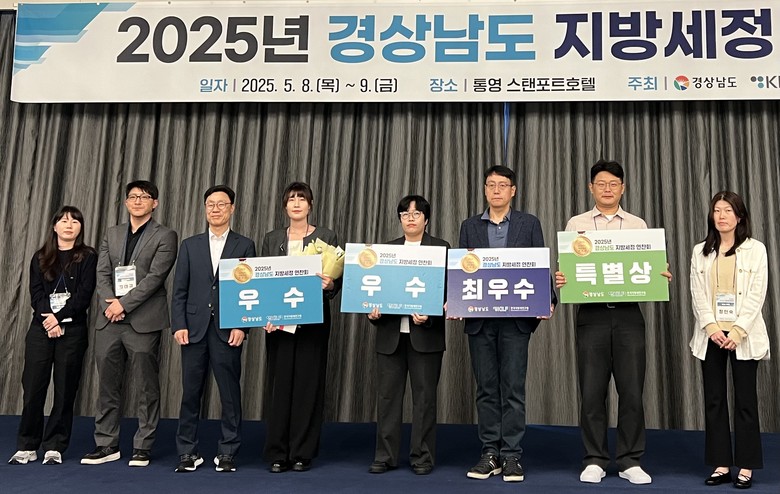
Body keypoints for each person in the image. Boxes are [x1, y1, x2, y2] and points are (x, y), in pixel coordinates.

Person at [556, 160, 670, 485]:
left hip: (628, 315)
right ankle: (594, 459)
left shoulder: (638, 224)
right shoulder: (576, 223)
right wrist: (563, 278)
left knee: (631, 391)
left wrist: (659, 275)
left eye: (613, 184)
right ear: (590, 188)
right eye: (601, 184)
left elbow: (649, 267)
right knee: (592, 392)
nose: (607, 189)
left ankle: (630, 460)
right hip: (591, 316)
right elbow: (569, 268)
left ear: (623, 188)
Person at [459, 165, 555, 482]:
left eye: (503, 185)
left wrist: (548, 299)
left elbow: (540, 265)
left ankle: (512, 455)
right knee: (486, 389)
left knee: (513, 389)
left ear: (513, 191)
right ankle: (490, 453)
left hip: (516, 320)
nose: (496, 190)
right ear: (485, 189)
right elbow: (462, 269)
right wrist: (453, 299)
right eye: (491, 185)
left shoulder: (529, 223)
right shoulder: (469, 226)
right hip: (480, 320)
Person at [82, 180, 178, 467]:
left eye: (144, 197)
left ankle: (143, 445)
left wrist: (123, 305)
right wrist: (110, 304)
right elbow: (101, 273)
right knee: (107, 385)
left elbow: (155, 278)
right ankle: (106, 444)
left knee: (147, 386)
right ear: (125, 202)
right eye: (133, 196)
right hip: (109, 319)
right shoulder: (112, 233)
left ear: (154, 203)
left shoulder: (166, 235)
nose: (138, 201)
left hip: (143, 320)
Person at [171, 185, 256, 473]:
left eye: (221, 204)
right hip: (193, 329)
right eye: (210, 204)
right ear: (205, 209)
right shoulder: (189, 245)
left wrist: (243, 326)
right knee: (190, 393)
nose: (215, 209)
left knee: (229, 394)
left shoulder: (244, 244)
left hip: (228, 329)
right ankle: (187, 451)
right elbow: (179, 290)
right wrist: (179, 325)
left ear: (232, 208)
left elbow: (250, 290)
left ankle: (228, 451)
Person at [689, 191, 768, 490]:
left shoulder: (755, 249)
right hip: (710, 335)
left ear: (740, 216)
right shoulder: (700, 251)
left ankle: (746, 466)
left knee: (745, 401)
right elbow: (697, 292)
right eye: (717, 211)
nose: (721, 216)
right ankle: (721, 464)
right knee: (714, 400)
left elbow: (757, 293)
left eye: (728, 211)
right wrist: (711, 327)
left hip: (743, 336)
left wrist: (737, 332)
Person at [367, 195, 450, 475]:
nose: (410, 218)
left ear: (427, 219)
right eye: (405, 214)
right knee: (387, 398)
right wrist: (372, 313)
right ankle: (385, 456)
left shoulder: (441, 249)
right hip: (390, 335)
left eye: (416, 214)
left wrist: (431, 315)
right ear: (400, 219)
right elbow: (373, 289)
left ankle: (422, 457)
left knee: (425, 399)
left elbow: (449, 291)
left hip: (426, 336)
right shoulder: (385, 250)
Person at [261, 181, 340, 473]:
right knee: (280, 385)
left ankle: (302, 452)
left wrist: (330, 284)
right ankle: (277, 452)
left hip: (313, 321)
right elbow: (262, 279)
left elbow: (336, 280)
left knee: (308, 385)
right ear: (284, 205)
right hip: (278, 323)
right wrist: (264, 315)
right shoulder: (272, 239)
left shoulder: (326, 236)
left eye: (301, 199)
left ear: (310, 204)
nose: (296, 203)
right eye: (291, 199)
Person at [9, 207, 97, 466]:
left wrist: (59, 318)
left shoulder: (88, 257)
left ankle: (55, 446)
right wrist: (49, 320)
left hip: (72, 330)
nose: (69, 225)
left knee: (65, 389)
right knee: (33, 388)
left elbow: (84, 295)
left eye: (75, 221)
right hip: (41, 328)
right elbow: (36, 294)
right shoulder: (40, 257)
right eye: (64, 220)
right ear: (55, 226)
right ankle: (27, 445)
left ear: (80, 228)